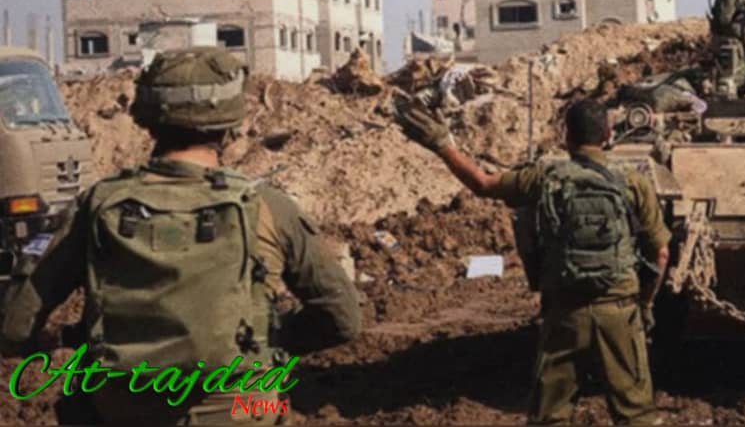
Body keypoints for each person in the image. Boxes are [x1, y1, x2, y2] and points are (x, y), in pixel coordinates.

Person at [0, 47, 364, 426]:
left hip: (123, 410)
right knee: (276, 407)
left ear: (146, 121)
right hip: (241, 411)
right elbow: (342, 319)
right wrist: (267, 340)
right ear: (231, 124)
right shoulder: (269, 208)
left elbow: (15, 328)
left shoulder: (97, 205)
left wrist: (72, 341)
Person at [395, 97, 670, 425]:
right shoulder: (633, 181)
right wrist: (646, 303)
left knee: (550, 415)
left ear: (566, 135)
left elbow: (483, 183)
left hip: (564, 312)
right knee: (636, 415)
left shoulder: (545, 176)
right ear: (609, 134)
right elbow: (661, 252)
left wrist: (441, 144)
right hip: (620, 310)